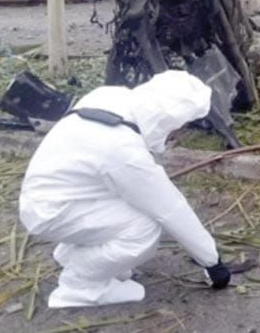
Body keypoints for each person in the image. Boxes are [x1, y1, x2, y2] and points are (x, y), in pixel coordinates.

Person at [19, 70, 230, 308]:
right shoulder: (122, 149)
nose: (177, 134)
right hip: (52, 211)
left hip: (56, 195)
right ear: (165, 120)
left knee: (131, 209)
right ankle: (80, 286)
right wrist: (212, 262)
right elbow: (169, 207)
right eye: (178, 127)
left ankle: (78, 259)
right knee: (144, 228)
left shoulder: (111, 97)